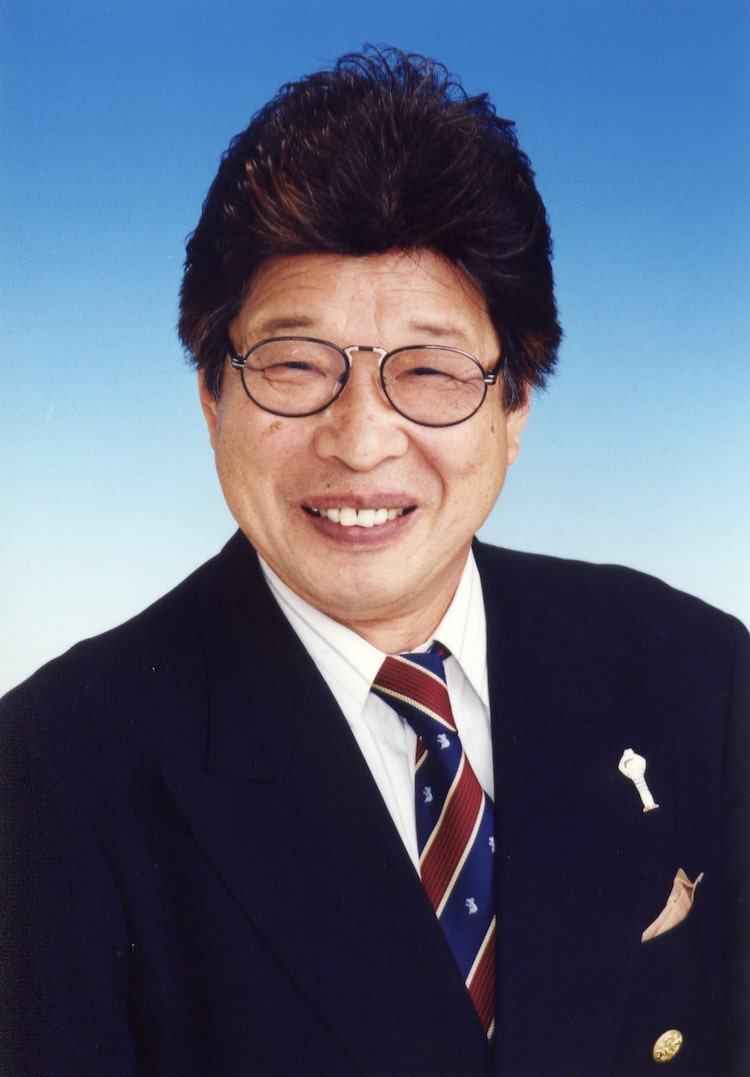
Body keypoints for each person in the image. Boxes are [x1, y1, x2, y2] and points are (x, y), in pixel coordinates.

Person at [1, 47, 747, 1077]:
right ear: (211, 395)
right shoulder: (50, 774)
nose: (359, 442)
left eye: (430, 370)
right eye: (294, 365)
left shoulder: (699, 675)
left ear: (517, 403)